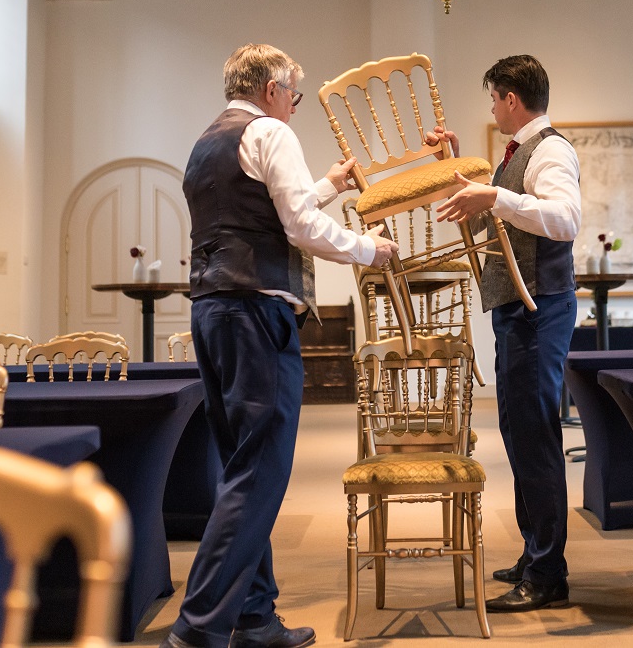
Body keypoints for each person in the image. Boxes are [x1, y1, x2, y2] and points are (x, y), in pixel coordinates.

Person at [162, 44, 399, 648]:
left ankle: (255, 618)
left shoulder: (207, 142)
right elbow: (298, 227)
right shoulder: (271, 132)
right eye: (293, 95)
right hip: (255, 313)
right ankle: (198, 629)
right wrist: (370, 248)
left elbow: (259, 215)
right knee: (260, 471)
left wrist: (326, 185)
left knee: (240, 469)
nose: (294, 106)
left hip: (212, 311)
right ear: (272, 89)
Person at [431, 54, 580, 613]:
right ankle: (534, 553)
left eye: (494, 98)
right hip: (518, 311)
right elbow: (495, 218)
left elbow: (565, 219)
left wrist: (494, 195)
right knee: (520, 433)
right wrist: (456, 169)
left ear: (511, 99)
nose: (492, 108)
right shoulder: (518, 156)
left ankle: (547, 574)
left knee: (537, 437)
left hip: (540, 309)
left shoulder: (551, 151)